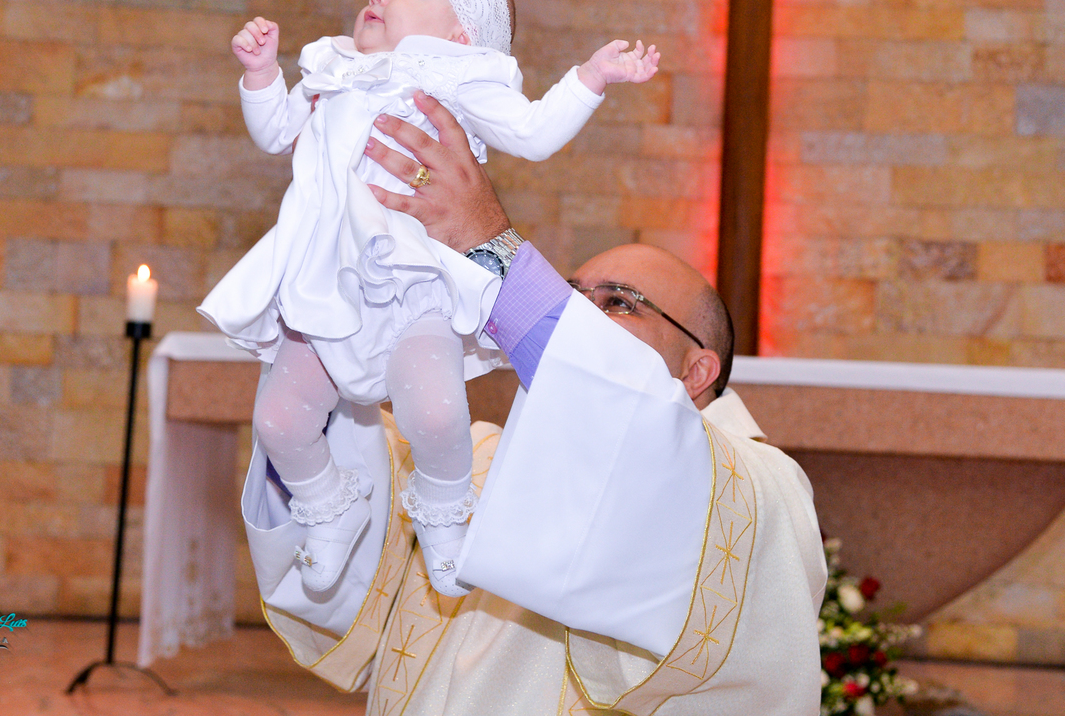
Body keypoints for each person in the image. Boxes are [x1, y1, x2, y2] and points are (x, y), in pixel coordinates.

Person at [236, 93, 827, 714]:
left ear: (697, 369)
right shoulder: (476, 459)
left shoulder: (762, 486)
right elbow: (349, 574)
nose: (582, 317)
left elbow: (640, 448)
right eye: (572, 294)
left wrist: (490, 249)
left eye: (619, 302)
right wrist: (331, 286)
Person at [200, 0, 659, 596]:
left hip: (412, 284)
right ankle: (327, 505)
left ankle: (445, 518)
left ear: (459, 37)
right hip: (323, 287)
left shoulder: (457, 78)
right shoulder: (333, 69)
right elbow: (275, 133)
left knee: (438, 415)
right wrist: (261, 75)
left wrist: (590, 77)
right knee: (277, 420)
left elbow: (533, 133)